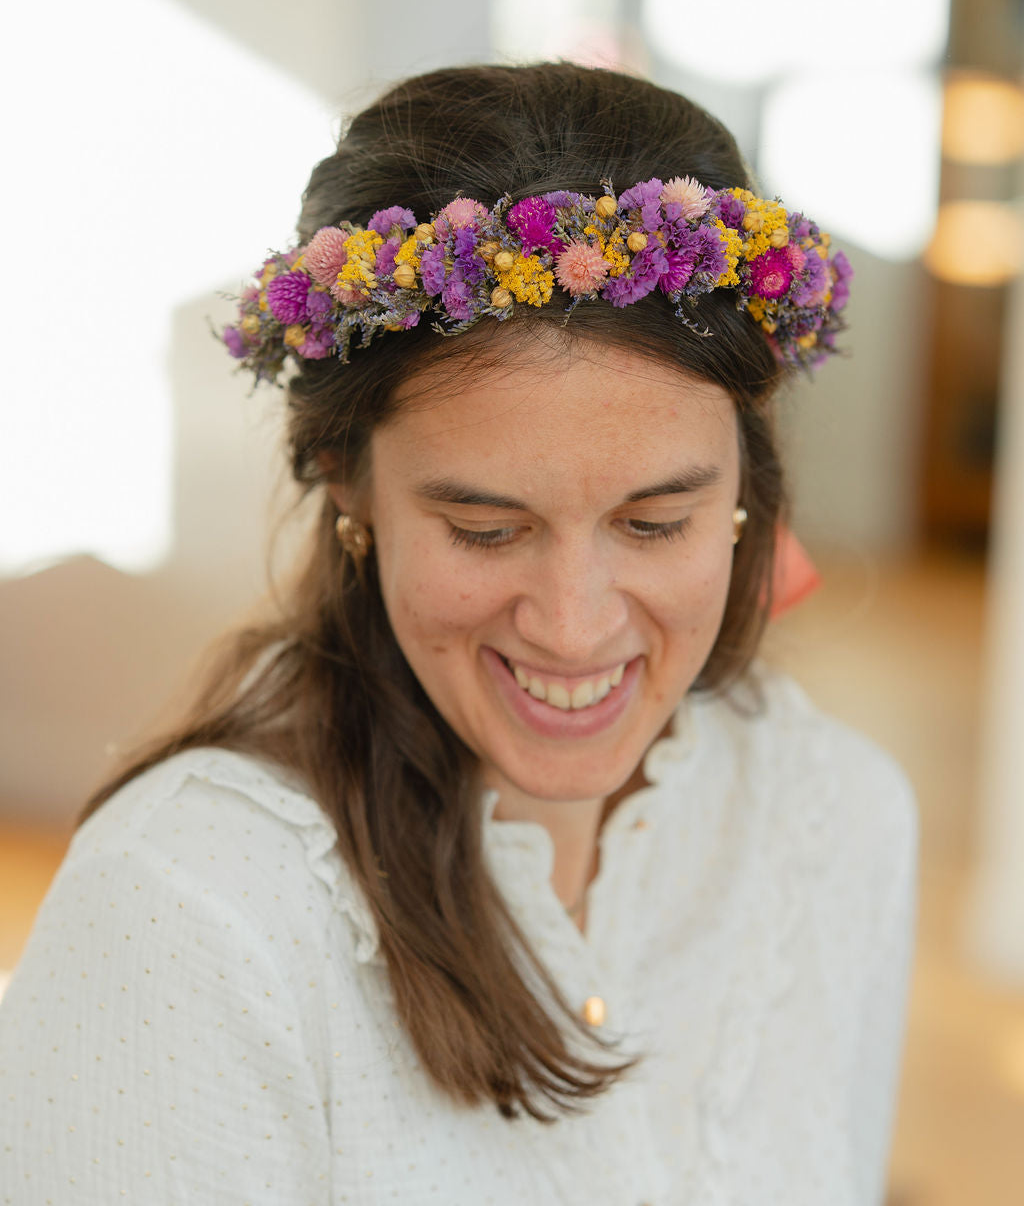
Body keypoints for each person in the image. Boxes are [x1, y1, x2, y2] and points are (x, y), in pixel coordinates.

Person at [0, 63, 915, 1204]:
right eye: (486, 529)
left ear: (747, 479)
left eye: (656, 520)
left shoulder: (840, 816)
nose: (574, 623)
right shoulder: (186, 917)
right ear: (348, 483)